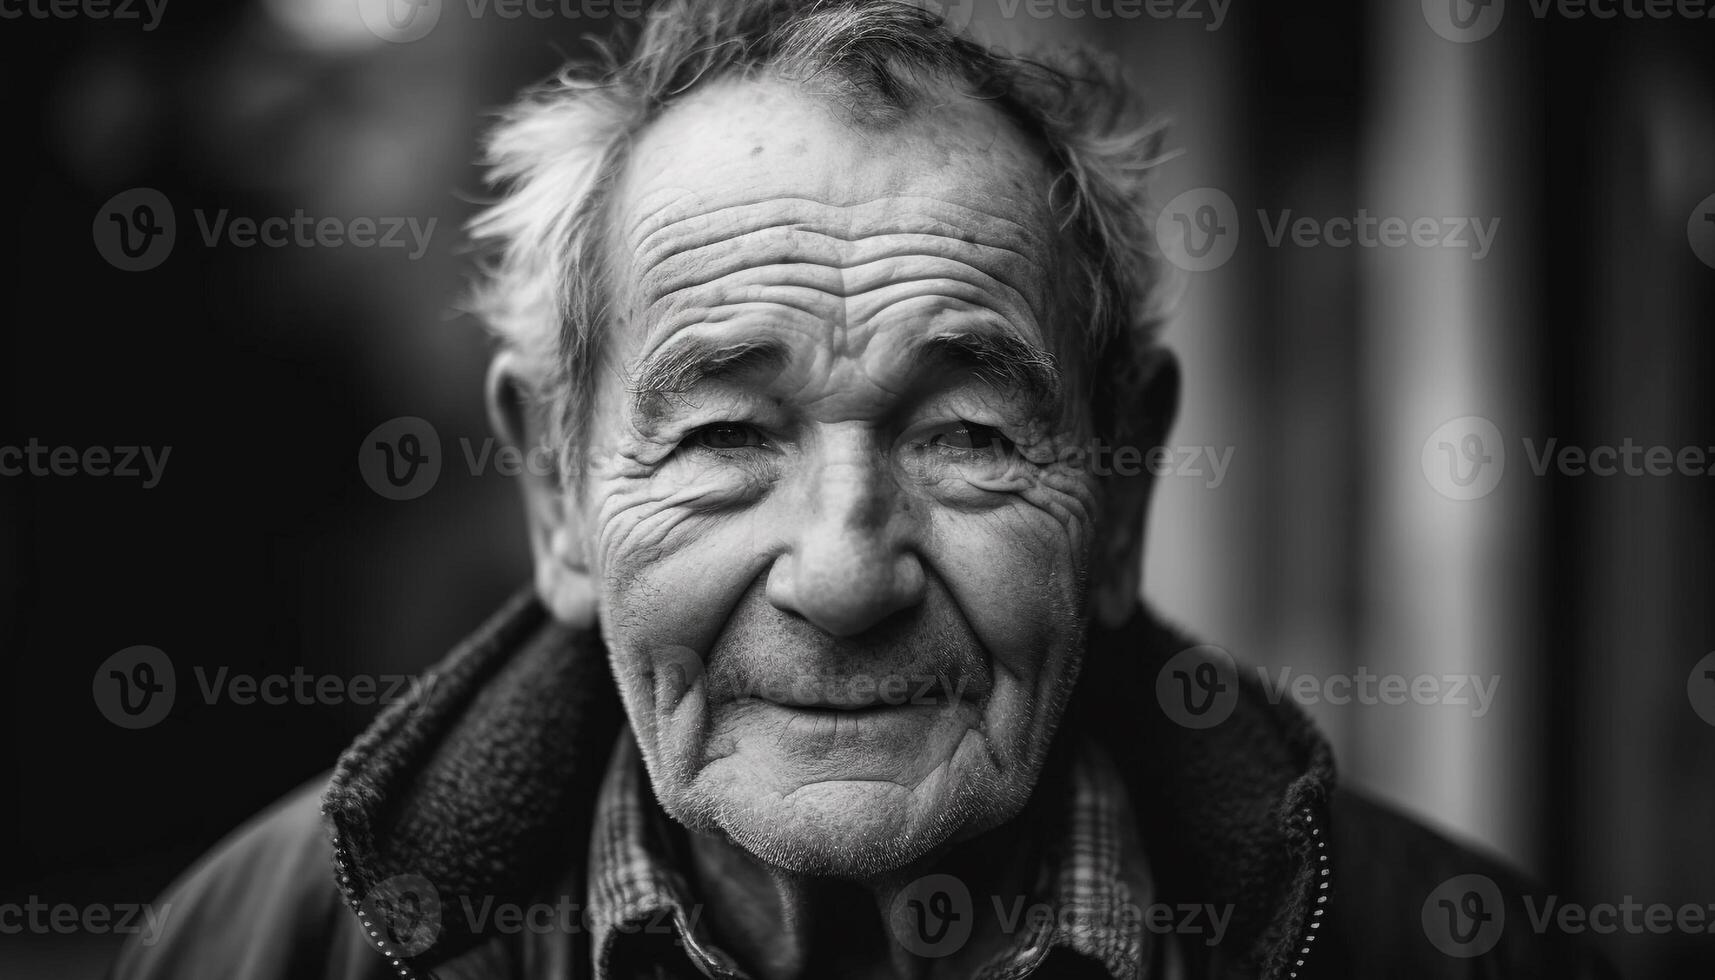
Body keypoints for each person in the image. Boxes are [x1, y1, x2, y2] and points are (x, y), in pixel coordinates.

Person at [112, 2, 1613, 978]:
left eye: (965, 435)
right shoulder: (251, 951)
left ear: (1119, 486)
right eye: (722, 440)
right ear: (557, 493)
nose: (843, 573)